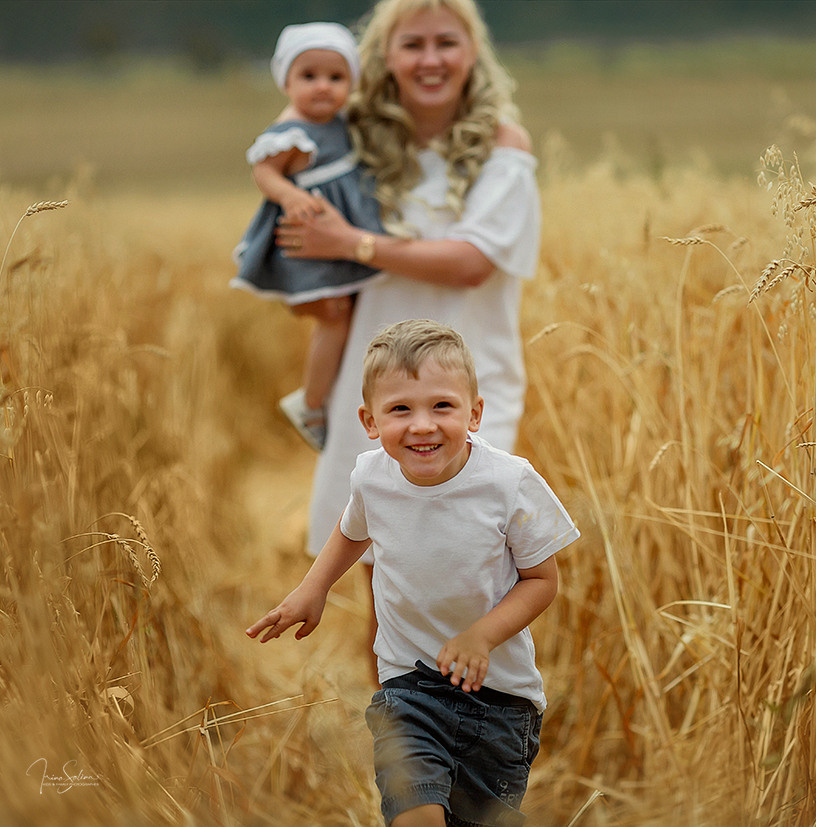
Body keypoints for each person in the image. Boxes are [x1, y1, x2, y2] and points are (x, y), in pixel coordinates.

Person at [274, 0, 542, 678]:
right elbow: (283, 181)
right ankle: (403, 769)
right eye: (412, 43)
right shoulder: (354, 142)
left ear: (471, 52)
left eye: (446, 42)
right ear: (384, 58)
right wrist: (316, 275)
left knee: (473, 575)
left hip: (470, 389)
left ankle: (479, 753)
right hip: (380, 388)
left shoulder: (502, 147)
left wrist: (352, 242)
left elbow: (470, 261)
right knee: (384, 586)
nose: (430, 59)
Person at [247, 320, 579, 827]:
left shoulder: (509, 484)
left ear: (475, 412)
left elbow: (542, 581)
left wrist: (480, 638)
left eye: (441, 406)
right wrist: (312, 589)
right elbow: (352, 530)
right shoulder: (371, 476)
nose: (422, 425)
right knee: (415, 814)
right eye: (400, 409)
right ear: (370, 420)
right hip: (409, 683)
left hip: (500, 699)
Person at [230, 22, 384, 450]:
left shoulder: (338, 120)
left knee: (348, 312)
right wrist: (290, 194)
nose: (323, 88)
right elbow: (263, 171)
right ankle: (312, 404)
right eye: (309, 77)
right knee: (333, 314)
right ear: (286, 81)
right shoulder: (290, 130)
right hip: (311, 236)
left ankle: (331, 394)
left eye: (336, 78)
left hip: (339, 231)